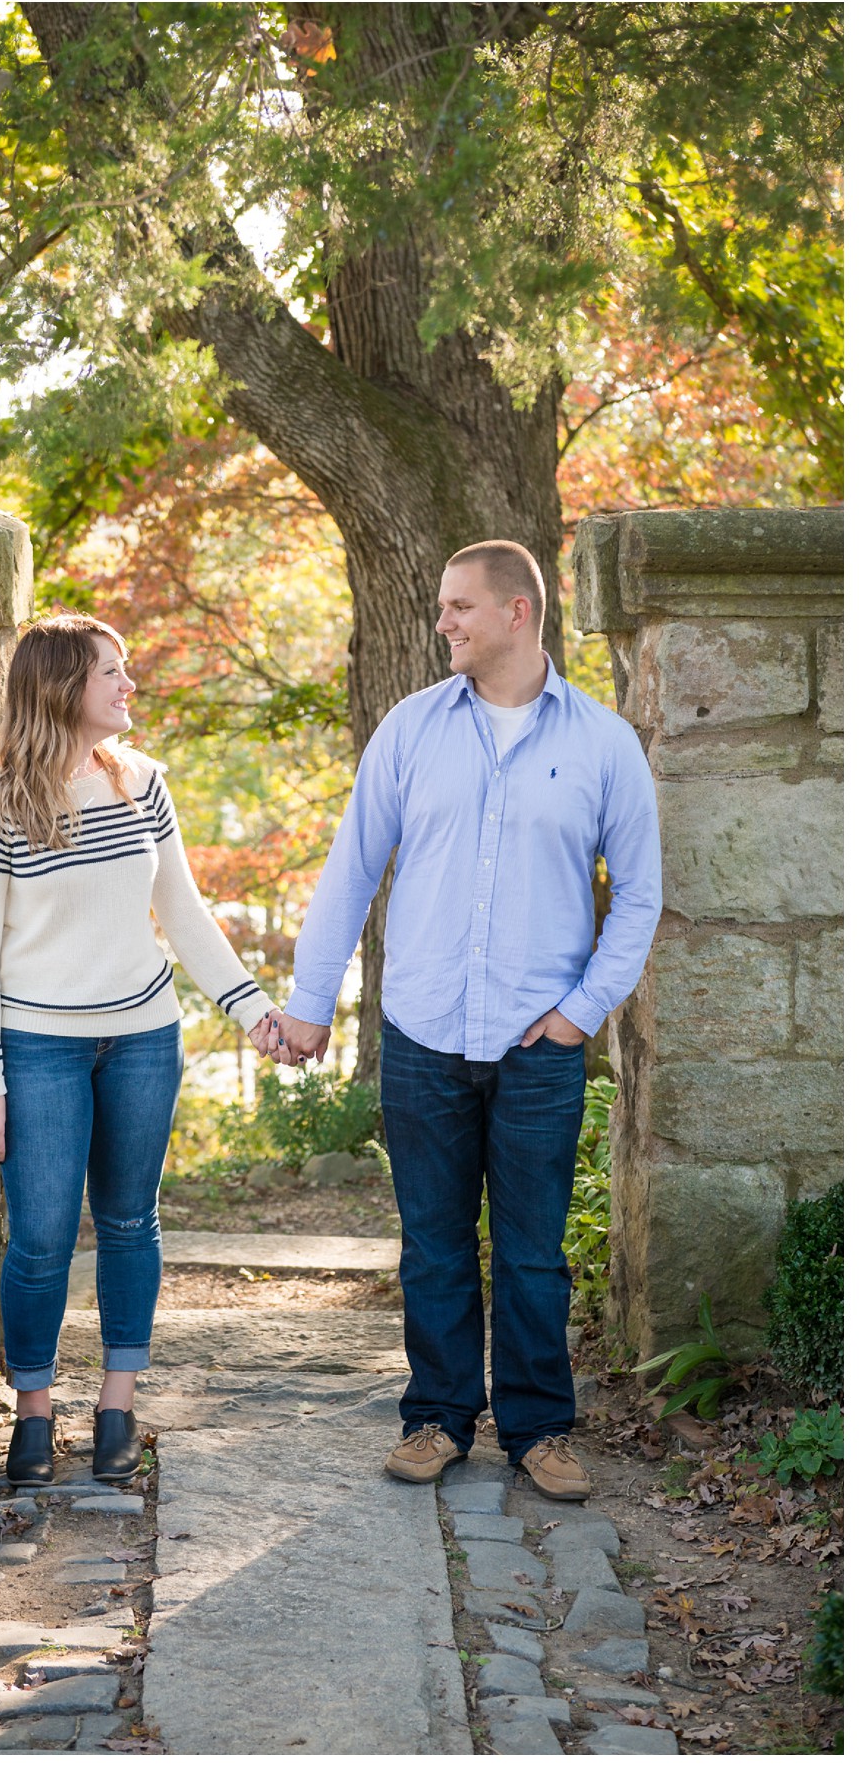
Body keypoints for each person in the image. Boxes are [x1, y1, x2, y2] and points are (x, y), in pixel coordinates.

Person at [276, 540, 659, 1501]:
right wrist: (310, 1004)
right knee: (436, 1242)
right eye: (442, 607)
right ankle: (438, 1417)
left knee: (532, 1251)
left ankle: (539, 1431)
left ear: (517, 612)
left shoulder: (603, 743)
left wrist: (580, 1015)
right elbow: (351, 869)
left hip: (539, 1042)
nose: (442, 621)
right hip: (422, 1032)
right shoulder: (410, 730)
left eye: (458, 607)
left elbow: (641, 896)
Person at [0, 612, 292, 1488]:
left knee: (132, 1221)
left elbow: (182, 911)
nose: (129, 684)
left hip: (144, 1036)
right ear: (65, 686)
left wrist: (252, 1009)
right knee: (39, 1239)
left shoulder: (142, 782)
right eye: (113, 671)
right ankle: (33, 1413)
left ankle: (116, 1406)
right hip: (38, 1049)